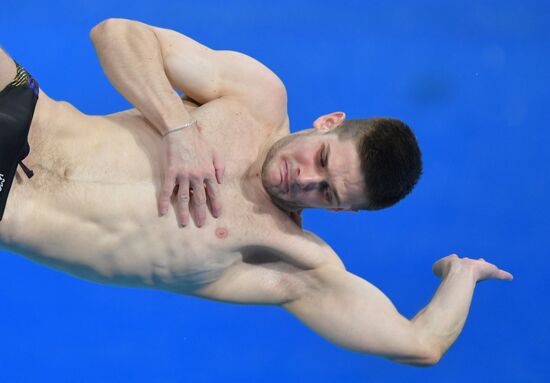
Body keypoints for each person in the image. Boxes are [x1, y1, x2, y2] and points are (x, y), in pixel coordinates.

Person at [0, 18, 513, 367]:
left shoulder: (288, 261)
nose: (305, 180)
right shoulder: (255, 96)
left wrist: (462, 273)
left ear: (343, 212)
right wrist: (178, 128)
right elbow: (114, 34)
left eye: (328, 194)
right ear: (328, 123)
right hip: (23, 107)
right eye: (323, 158)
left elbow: (420, 344)